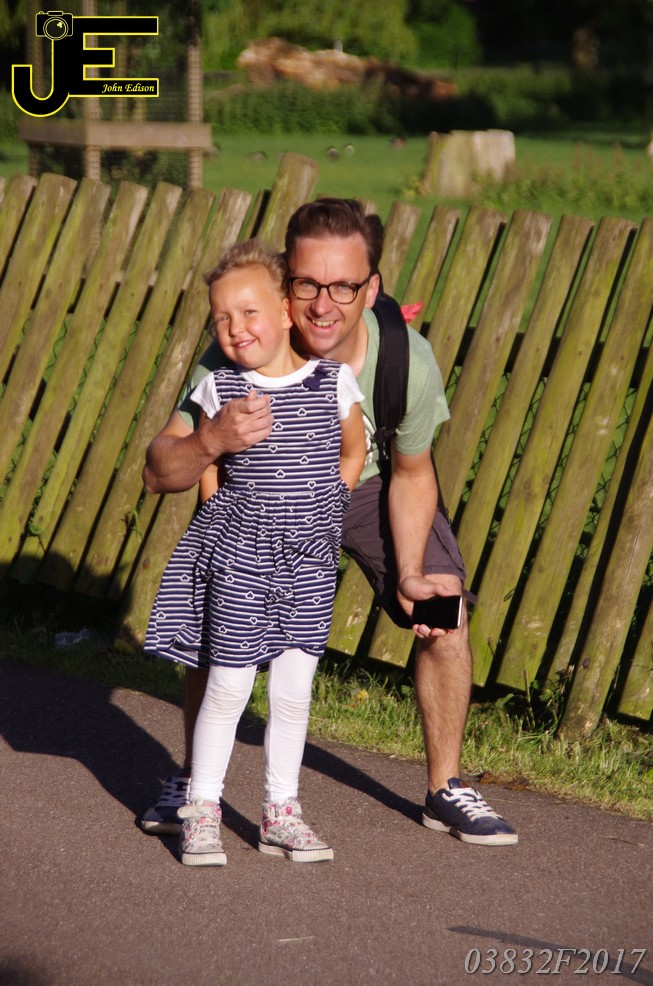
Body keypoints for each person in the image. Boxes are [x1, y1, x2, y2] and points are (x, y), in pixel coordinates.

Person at [142, 198, 518, 847]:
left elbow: (411, 473)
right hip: (260, 499)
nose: (323, 304)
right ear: (285, 285)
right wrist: (209, 442)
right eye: (308, 284)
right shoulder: (242, 344)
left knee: (443, 603)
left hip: (366, 487)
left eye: (343, 286)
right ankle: (193, 780)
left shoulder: (406, 361)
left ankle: (445, 788)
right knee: (217, 614)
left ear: (370, 288)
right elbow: (158, 470)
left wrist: (408, 572)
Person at [144, 239, 366, 865]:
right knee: (229, 684)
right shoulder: (219, 388)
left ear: (287, 311)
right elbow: (208, 461)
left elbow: (353, 449)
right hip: (242, 557)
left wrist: (333, 499)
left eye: (249, 312)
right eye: (222, 318)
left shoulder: (334, 381)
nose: (235, 328)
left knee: (294, 691)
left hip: (310, 559)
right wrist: (220, 512)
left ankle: (280, 814)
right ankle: (202, 811)